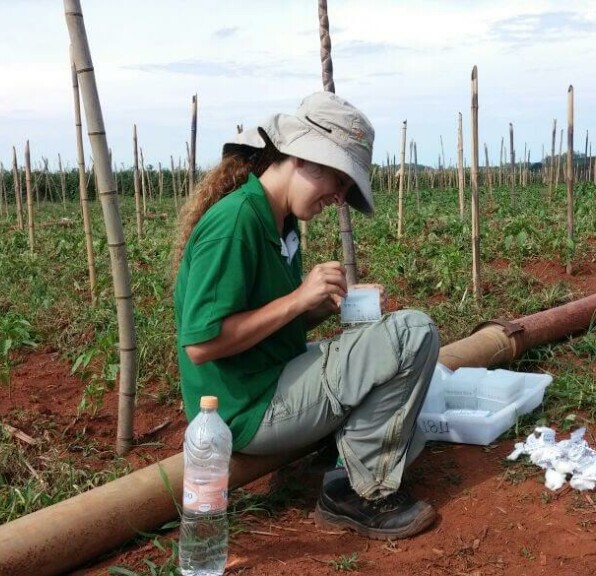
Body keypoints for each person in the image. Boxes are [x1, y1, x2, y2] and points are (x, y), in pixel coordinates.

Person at [172, 92, 440, 540]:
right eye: (338, 183)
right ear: (303, 159)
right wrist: (298, 299)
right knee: (412, 333)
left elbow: (268, 321)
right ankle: (358, 492)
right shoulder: (236, 221)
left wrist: (328, 304)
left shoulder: (279, 220)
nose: (337, 199)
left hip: (272, 377)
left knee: (409, 430)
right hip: (245, 409)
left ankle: (340, 458)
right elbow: (202, 344)